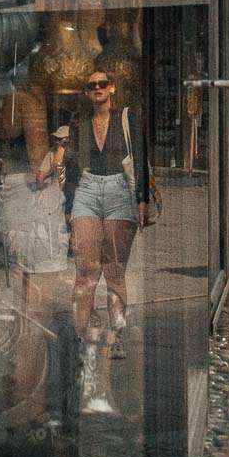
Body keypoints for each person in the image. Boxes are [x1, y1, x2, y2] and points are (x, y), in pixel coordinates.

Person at [0, 118, 69, 457]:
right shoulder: (34, 118)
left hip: (27, 206)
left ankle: (28, 411)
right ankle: (25, 414)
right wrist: (57, 155)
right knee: (33, 322)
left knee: (31, 320)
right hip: (34, 212)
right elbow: (40, 172)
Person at [68, 70, 151, 360]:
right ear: (87, 92)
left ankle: (116, 336)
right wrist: (68, 206)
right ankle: (83, 337)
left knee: (114, 271)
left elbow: (140, 157)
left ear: (112, 88)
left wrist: (142, 198)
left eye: (102, 84)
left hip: (119, 190)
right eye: (92, 85)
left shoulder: (127, 117)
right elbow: (71, 164)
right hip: (87, 189)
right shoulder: (80, 121)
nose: (97, 88)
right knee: (85, 272)